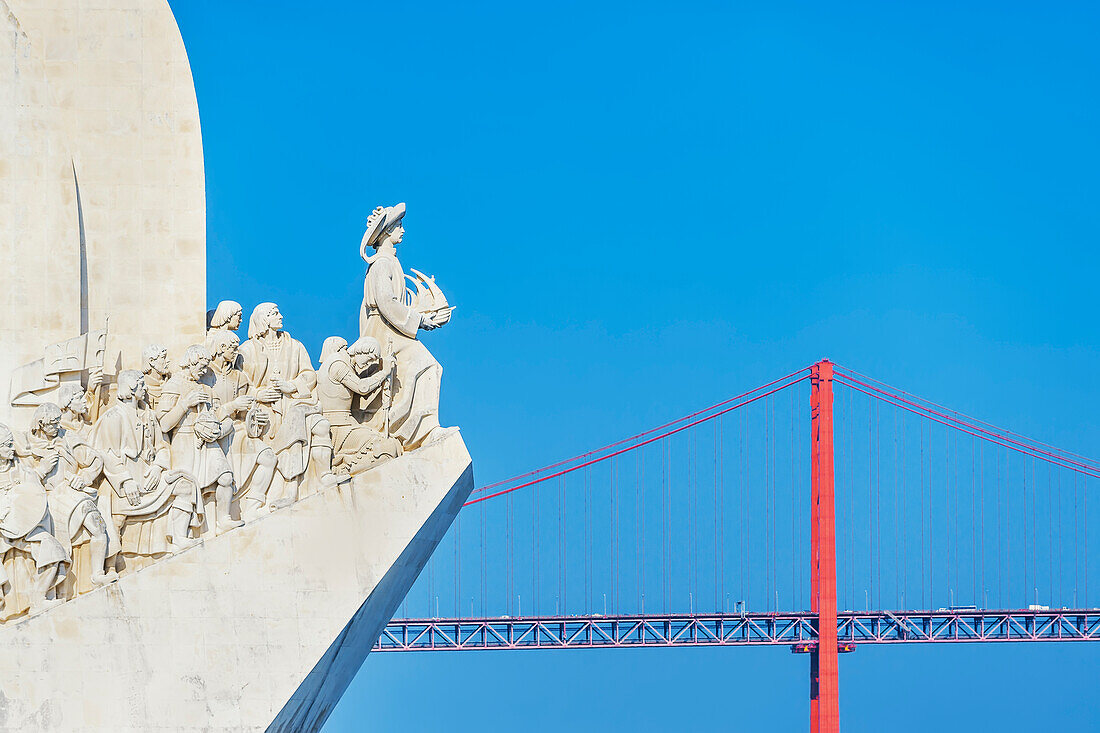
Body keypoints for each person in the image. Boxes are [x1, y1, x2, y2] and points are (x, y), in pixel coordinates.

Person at [359, 202, 453, 449]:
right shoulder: (381, 263)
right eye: (398, 225)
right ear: (387, 231)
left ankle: (418, 428)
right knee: (426, 364)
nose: (402, 230)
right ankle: (420, 431)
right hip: (384, 333)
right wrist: (419, 320)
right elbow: (386, 302)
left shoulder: (390, 263)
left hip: (394, 329)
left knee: (426, 367)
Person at [92, 371, 203, 557]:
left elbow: (162, 446)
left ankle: (179, 537)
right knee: (116, 516)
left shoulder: (149, 415)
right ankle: (111, 562)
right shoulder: (113, 417)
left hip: (151, 475)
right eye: (141, 385)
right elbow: (106, 454)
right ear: (130, 387)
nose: (145, 388)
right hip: (127, 481)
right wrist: (126, 481)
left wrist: (158, 467)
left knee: (186, 485)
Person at [238, 303, 335, 503]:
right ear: (264, 319)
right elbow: (239, 385)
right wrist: (258, 394)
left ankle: (317, 479)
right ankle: (271, 496)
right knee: (275, 449)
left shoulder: (295, 346)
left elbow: (309, 374)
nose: (281, 316)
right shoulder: (246, 350)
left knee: (316, 427)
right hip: (265, 412)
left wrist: (291, 386)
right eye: (275, 313)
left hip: (293, 405)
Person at [21, 403, 118, 588]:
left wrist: (84, 477)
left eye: (58, 422)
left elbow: (95, 459)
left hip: (72, 493)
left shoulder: (66, 438)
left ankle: (98, 573)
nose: (58, 427)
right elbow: (22, 483)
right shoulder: (27, 446)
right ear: (41, 424)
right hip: (47, 500)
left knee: (98, 524)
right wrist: (42, 470)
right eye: (53, 424)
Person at [157, 345, 241, 533]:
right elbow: (163, 424)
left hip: (209, 442)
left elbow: (223, 416)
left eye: (206, 368)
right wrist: (185, 404)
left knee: (226, 477)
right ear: (191, 362)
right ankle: (181, 534)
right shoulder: (173, 385)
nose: (204, 371)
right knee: (187, 489)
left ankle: (224, 519)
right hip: (184, 442)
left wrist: (218, 432)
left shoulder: (206, 388)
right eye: (201, 367)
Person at [206, 329, 277, 520]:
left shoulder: (240, 377)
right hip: (218, 432)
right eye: (233, 348)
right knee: (225, 478)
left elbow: (248, 411)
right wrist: (231, 406)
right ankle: (223, 516)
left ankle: (253, 505)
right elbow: (202, 414)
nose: (236, 353)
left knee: (268, 458)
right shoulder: (206, 375)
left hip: (239, 431)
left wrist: (256, 419)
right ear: (221, 348)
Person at [0, 423, 68, 615]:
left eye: (11, 443)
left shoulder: (19, 467)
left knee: (52, 548)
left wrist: (42, 470)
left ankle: (38, 599)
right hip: (2, 532)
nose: (12, 449)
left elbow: (32, 491)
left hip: (24, 529)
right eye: (6, 445)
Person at [316, 336, 401, 476]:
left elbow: (363, 393)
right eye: (370, 358)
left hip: (345, 424)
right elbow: (362, 388)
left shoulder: (344, 364)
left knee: (390, 447)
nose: (369, 364)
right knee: (386, 448)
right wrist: (384, 372)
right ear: (362, 351)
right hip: (338, 428)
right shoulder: (338, 364)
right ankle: (342, 471)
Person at [141, 344, 172, 411]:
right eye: (163, 357)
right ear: (151, 361)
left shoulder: (172, 383)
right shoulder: (141, 387)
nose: (168, 360)